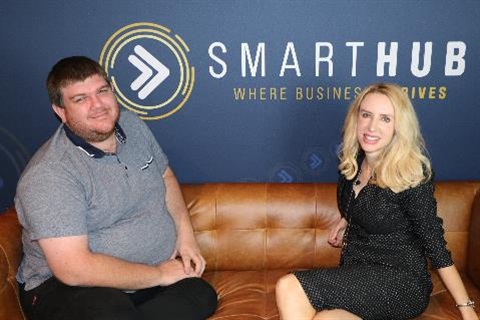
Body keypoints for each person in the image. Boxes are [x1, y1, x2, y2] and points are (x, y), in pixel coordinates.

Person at [15, 56, 217, 320]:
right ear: (60, 111)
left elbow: (165, 177)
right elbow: (73, 269)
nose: (97, 105)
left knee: (200, 294)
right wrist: (161, 274)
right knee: (108, 309)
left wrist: (186, 238)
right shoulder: (50, 174)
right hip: (67, 288)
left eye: (102, 91)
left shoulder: (132, 126)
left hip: (145, 281)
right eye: (80, 99)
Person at [275, 83, 478, 320]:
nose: (372, 126)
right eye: (366, 115)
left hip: (401, 281)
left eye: (385, 119)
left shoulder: (410, 173)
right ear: (356, 118)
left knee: (289, 286)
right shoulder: (352, 163)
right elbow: (365, 205)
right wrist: (346, 220)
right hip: (359, 270)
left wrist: (466, 307)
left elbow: (435, 245)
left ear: (398, 127)